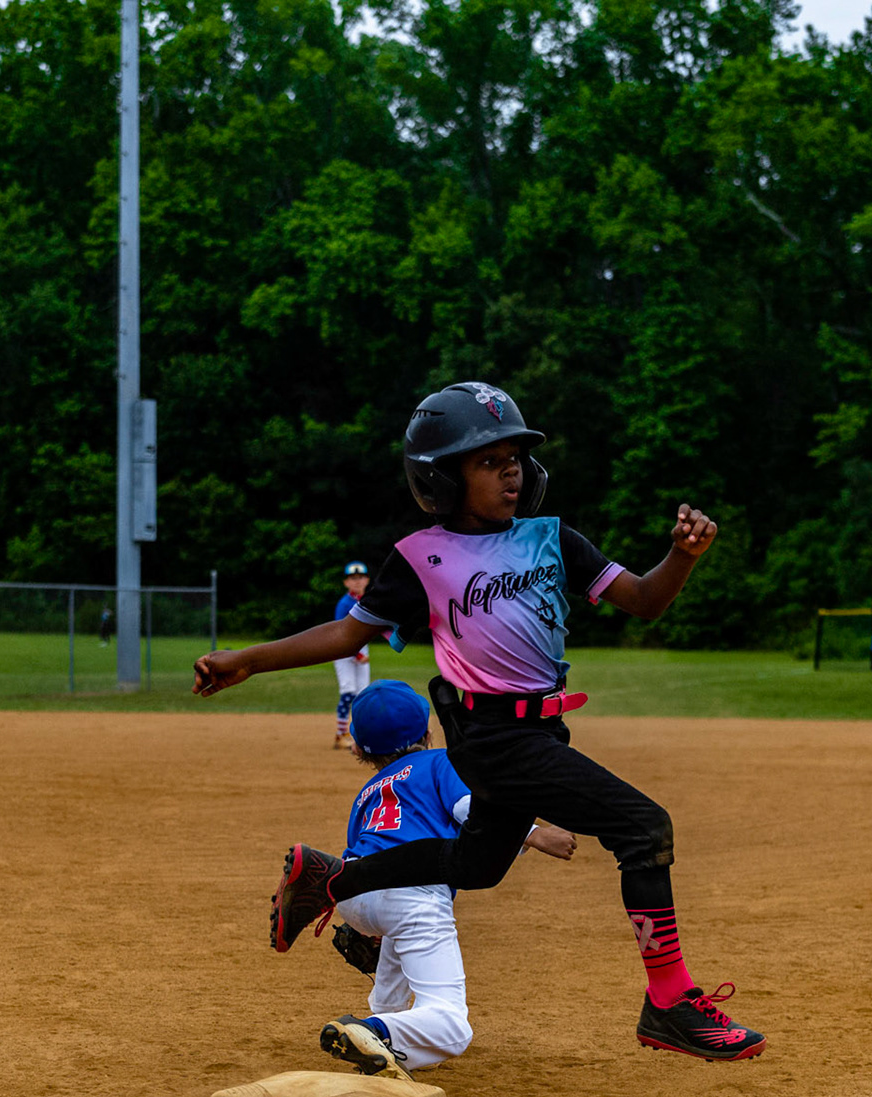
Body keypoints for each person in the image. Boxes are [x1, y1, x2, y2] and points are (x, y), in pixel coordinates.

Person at [195, 381, 765, 1062]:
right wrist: (250, 661)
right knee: (642, 827)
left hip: (541, 733)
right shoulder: (420, 557)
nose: (511, 471)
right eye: (488, 461)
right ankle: (670, 1002)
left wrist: (683, 557)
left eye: (515, 458)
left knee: (476, 864)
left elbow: (642, 601)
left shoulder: (554, 541)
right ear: (441, 477)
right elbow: (350, 635)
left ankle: (332, 881)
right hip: (491, 737)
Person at [320, 680, 577, 1080]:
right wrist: (535, 834)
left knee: (397, 933)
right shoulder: (440, 761)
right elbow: (470, 808)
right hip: (412, 891)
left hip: (353, 889)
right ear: (426, 733)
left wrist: (369, 919)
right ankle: (376, 1032)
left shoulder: (367, 792)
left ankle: (381, 1017)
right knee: (452, 1028)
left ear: (359, 748)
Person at [331, 561, 373, 748]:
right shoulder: (345, 604)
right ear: (346, 583)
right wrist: (357, 656)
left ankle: (360, 734)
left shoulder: (368, 600)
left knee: (362, 694)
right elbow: (341, 635)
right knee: (348, 692)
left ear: (367, 580)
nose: (357, 582)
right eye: (352, 578)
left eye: (360, 578)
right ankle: (341, 734)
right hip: (343, 652)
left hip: (361, 650)